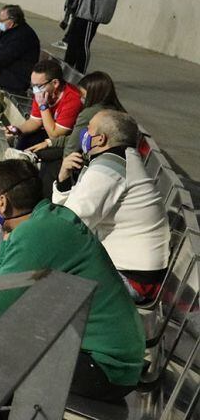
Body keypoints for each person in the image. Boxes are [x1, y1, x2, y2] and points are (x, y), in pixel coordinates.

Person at [0, 159, 145, 402]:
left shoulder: (36, 233)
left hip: (104, 369)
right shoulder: (50, 216)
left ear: (2, 203)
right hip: (113, 361)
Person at [52, 110, 169, 301]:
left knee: (45, 283)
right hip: (132, 272)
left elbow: (70, 222)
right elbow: (70, 215)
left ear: (100, 139)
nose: (84, 133)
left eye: (88, 129)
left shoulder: (109, 168)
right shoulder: (122, 159)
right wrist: (64, 179)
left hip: (129, 278)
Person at [28, 70, 125, 193]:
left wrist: (63, 173)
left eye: (84, 97)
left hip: (86, 162)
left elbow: (71, 146)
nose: (81, 100)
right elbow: (78, 137)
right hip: (101, 161)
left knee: (49, 166)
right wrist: (50, 142)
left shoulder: (88, 113)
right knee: (45, 151)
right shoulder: (116, 110)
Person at [10, 59, 83, 150]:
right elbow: (35, 121)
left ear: (55, 83)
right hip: (49, 130)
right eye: (33, 86)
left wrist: (43, 106)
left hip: (66, 141)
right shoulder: (43, 93)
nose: (35, 90)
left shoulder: (73, 100)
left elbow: (55, 136)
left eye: (38, 86)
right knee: (23, 140)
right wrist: (16, 129)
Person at [0, 4, 41, 94]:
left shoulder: (24, 35)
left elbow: (4, 58)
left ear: (12, 21)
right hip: (7, 70)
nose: (0, 23)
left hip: (17, 78)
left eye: (2, 20)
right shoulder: (10, 30)